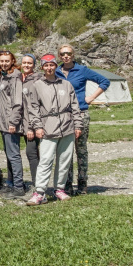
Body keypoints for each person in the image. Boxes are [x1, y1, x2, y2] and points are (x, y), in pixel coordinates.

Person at [25, 53, 83, 205]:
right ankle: (40, 192)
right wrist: (37, 126)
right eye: (46, 65)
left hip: (67, 126)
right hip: (48, 127)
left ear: (56, 66)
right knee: (45, 160)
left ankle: (59, 189)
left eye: (52, 65)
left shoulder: (66, 84)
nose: (49, 68)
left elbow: (75, 106)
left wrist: (78, 125)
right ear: (42, 67)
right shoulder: (37, 85)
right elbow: (33, 108)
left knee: (64, 160)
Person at [55, 44, 109, 195]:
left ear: (73, 55)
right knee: (65, 151)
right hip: (63, 115)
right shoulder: (56, 71)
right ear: (59, 56)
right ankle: (67, 185)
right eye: (63, 54)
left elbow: (104, 81)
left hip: (81, 113)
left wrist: (91, 97)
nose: (66, 56)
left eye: (69, 53)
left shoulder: (82, 70)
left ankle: (82, 185)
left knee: (81, 150)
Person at [0, 50, 26, 197]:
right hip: (3, 122)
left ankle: (19, 186)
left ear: (12, 61)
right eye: (2, 61)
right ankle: (10, 182)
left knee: (13, 155)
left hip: (10, 122)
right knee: (8, 154)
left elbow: (17, 102)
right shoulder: (3, 76)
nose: (4, 63)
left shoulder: (15, 77)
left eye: (7, 61)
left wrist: (13, 122)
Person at [19, 54, 42, 194]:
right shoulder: (20, 79)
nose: (26, 65)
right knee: (33, 153)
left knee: (31, 153)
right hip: (22, 123)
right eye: (24, 63)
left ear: (34, 65)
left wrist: (32, 127)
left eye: (29, 63)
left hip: (32, 124)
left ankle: (36, 184)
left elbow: (34, 106)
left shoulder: (37, 80)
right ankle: (37, 182)